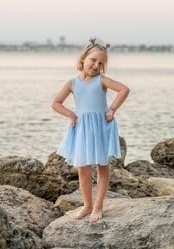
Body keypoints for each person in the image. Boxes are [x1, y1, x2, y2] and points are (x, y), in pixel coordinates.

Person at [51, 38, 130, 223]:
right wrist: (71, 115)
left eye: (101, 63)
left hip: (101, 126)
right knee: (82, 169)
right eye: (93, 60)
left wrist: (112, 110)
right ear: (83, 58)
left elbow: (124, 89)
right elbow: (55, 103)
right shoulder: (72, 83)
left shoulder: (101, 80)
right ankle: (87, 205)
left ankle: (98, 205)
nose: (96, 65)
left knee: (102, 167)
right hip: (83, 128)